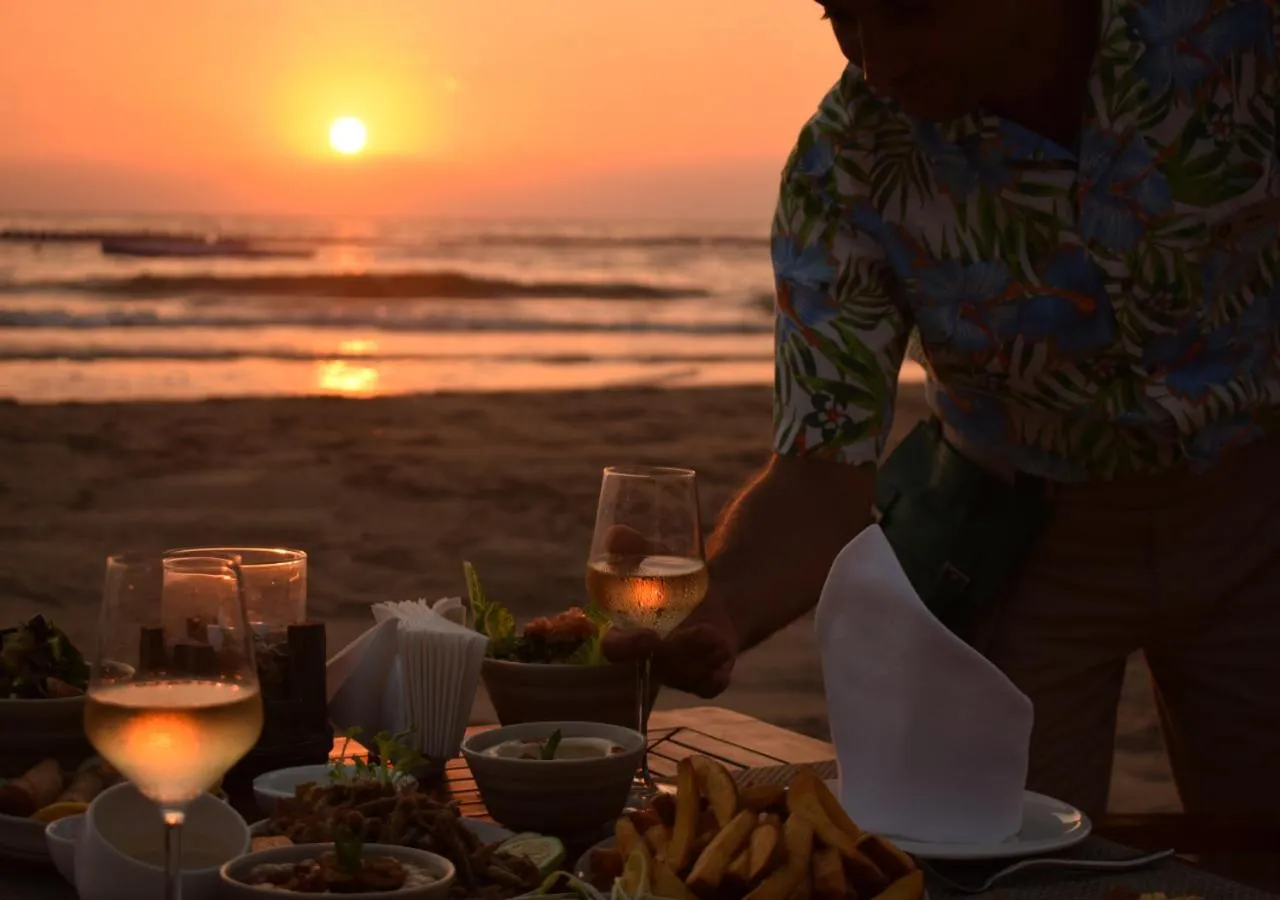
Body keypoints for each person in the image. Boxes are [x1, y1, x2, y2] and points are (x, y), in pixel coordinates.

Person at [607, 0, 1280, 831]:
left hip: (1260, 514)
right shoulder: (844, 163)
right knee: (998, 859)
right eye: (842, 19)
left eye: (910, 15)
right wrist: (724, 604)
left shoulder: (1235, 34)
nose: (877, 63)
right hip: (1021, 546)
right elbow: (820, 475)